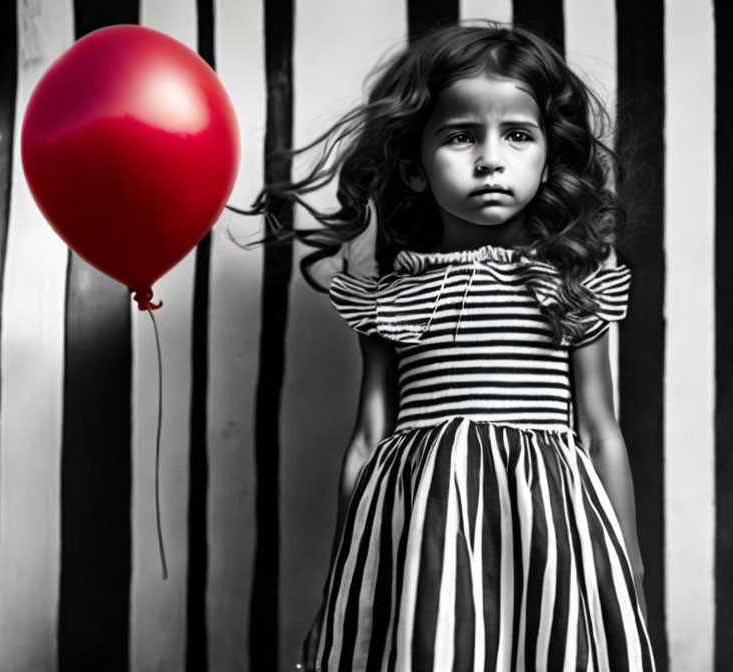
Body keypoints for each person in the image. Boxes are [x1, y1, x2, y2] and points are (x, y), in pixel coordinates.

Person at [247, 22, 655, 672]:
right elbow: (368, 436)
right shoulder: (391, 293)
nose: (490, 158)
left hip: (543, 520)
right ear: (414, 167)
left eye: (518, 135)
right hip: (420, 529)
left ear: (549, 158)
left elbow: (602, 431)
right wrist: (350, 572)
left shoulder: (569, 281)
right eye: (461, 135)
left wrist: (625, 559)